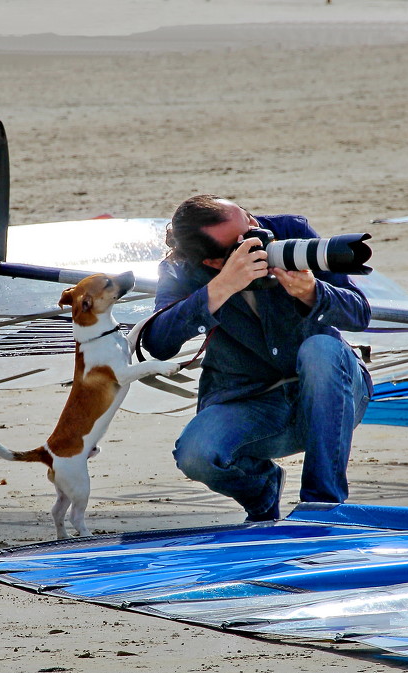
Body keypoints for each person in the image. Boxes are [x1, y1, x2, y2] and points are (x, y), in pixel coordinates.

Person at [142, 195, 372, 521]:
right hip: (254, 402)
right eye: (243, 240)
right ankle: (263, 492)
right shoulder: (184, 270)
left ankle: (323, 507)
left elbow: (360, 313)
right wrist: (220, 288)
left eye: (249, 219)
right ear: (214, 262)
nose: (259, 233)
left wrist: (313, 292)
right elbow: (158, 343)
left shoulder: (291, 231)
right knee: (197, 455)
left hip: (335, 393)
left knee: (320, 349)